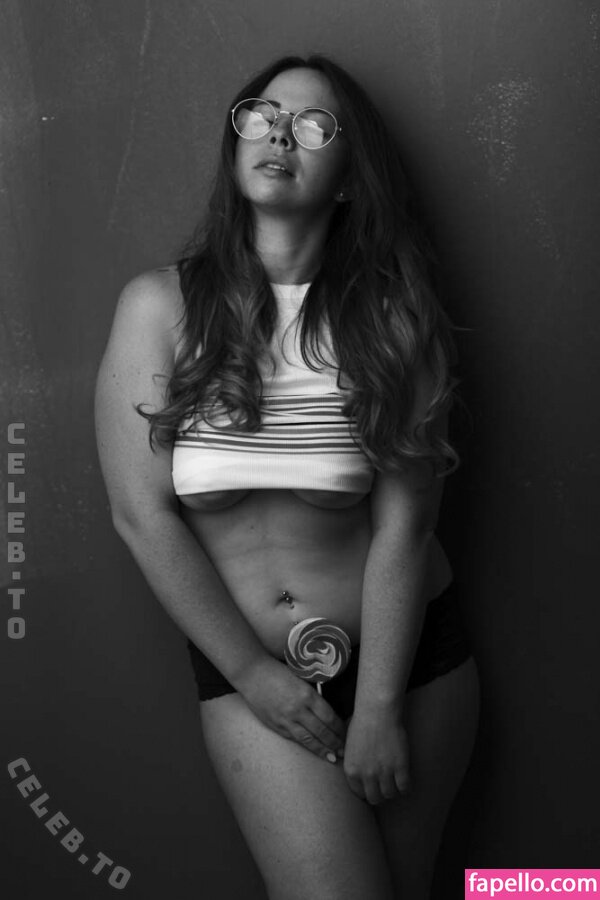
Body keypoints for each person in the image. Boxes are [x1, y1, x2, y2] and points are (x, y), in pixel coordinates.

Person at [95, 53, 480, 900]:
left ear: (347, 177)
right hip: (251, 672)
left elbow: (406, 527)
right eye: (262, 117)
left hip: (408, 668)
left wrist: (378, 706)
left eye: (312, 125)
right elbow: (141, 516)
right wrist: (253, 675)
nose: (279, 136)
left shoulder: (394, 319)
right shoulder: (159, 308)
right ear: (236, 146)